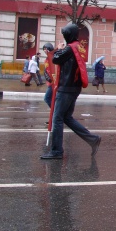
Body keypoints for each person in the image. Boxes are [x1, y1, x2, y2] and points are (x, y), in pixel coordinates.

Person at [40, 23, 101, 159]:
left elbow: (55, 59)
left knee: (57, 119)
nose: (64, 37)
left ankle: (56, 151)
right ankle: (92, 139)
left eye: (65, 34)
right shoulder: (78, 46)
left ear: (69, 35)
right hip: (74, 87)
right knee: (66, 117)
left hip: (66, 88)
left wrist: (58, 49)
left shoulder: (70, 48)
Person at [42, 43, 55, 109]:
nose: (45, 50)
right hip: (50, 82)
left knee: (47, 98)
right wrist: (48, 78)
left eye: (46, 49)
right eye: (44, 49)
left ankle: (55, 111)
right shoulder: (46, 59)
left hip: (54, 82)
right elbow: (45, 70)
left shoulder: (53, 58)